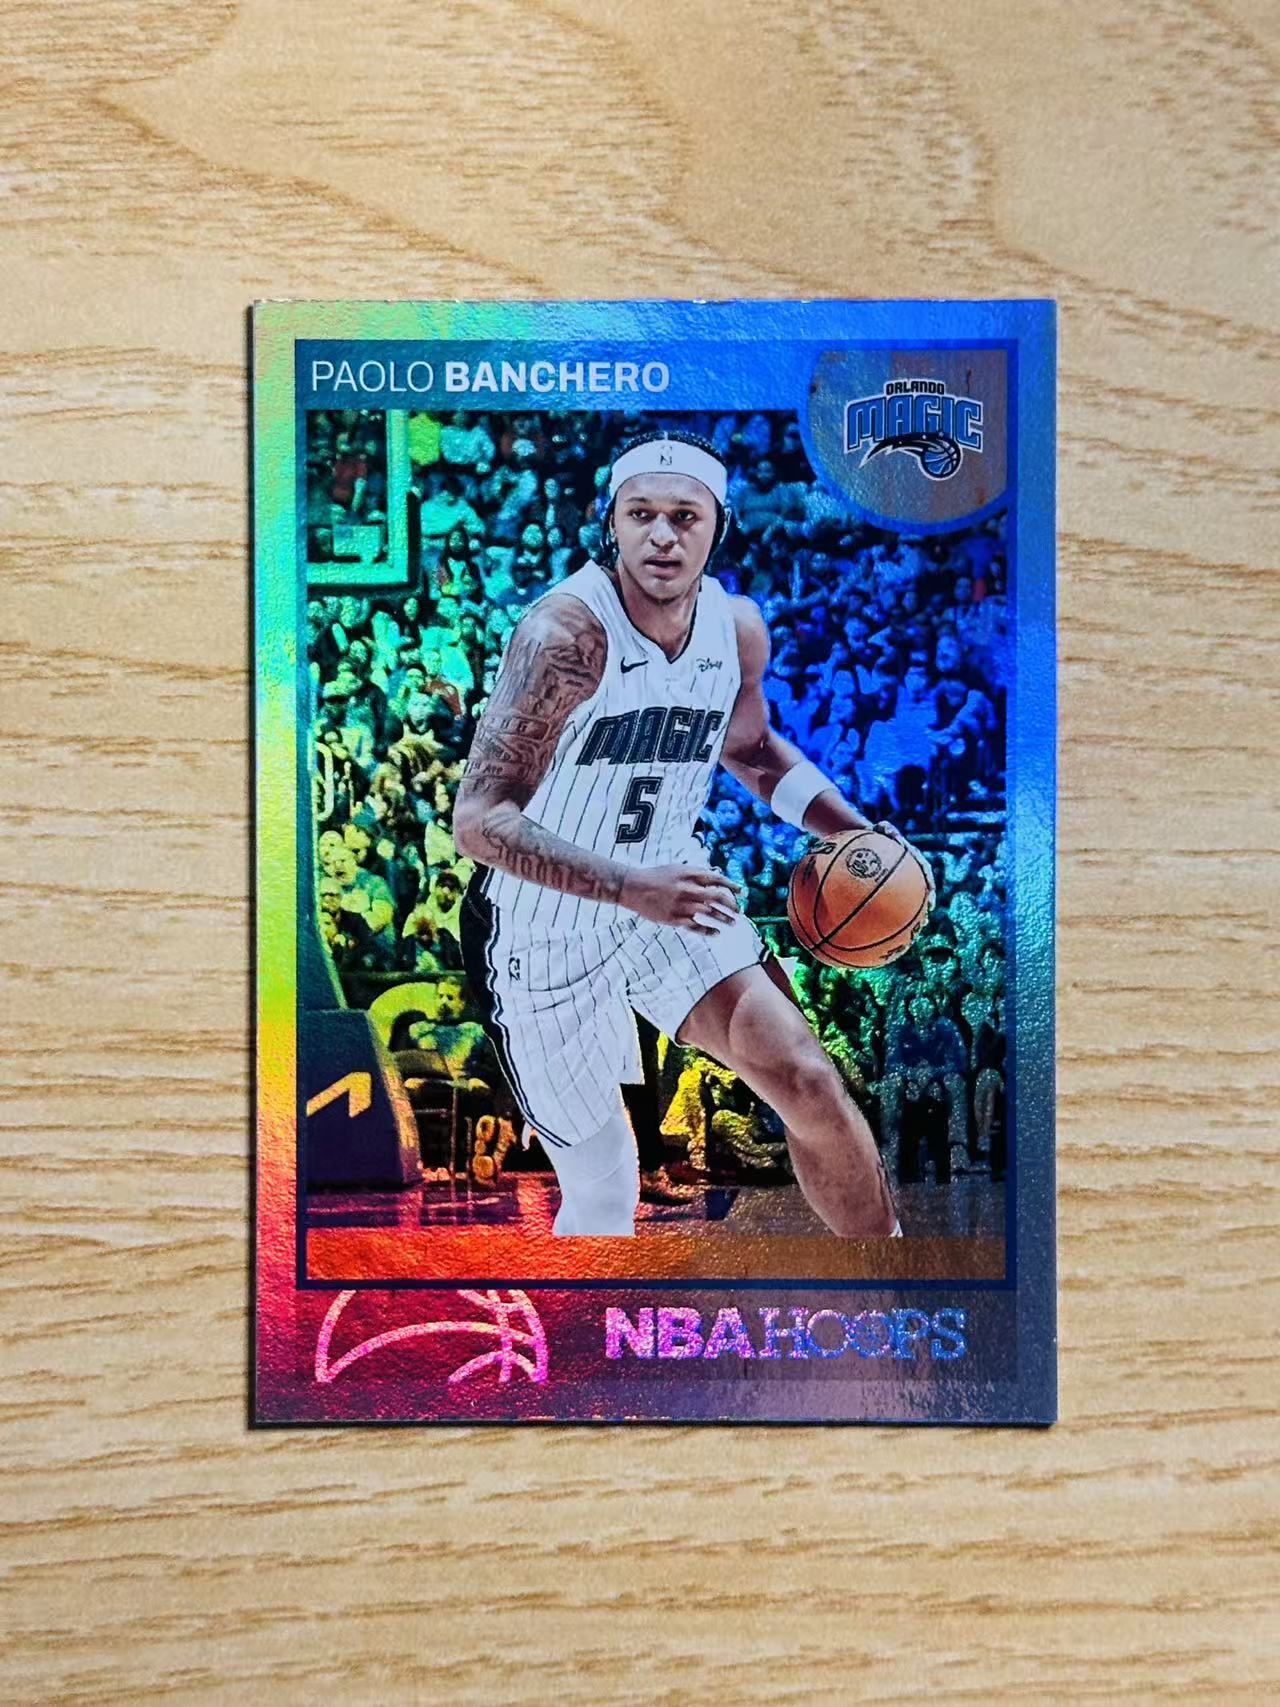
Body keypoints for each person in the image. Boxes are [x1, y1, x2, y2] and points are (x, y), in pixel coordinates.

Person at [454, 429, 933, 1238]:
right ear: (611, 522)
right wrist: (627, 886)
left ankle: (893, 1289)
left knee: (808, 1079)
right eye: (641, 513)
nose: (662, 535)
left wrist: (856, 834)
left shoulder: (735, 629)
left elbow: (752, 748)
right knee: (606, 1189)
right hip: (541, 926)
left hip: (673, 894)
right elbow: (478, 820)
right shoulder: (566, 636)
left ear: (720, 525)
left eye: (685, 515)